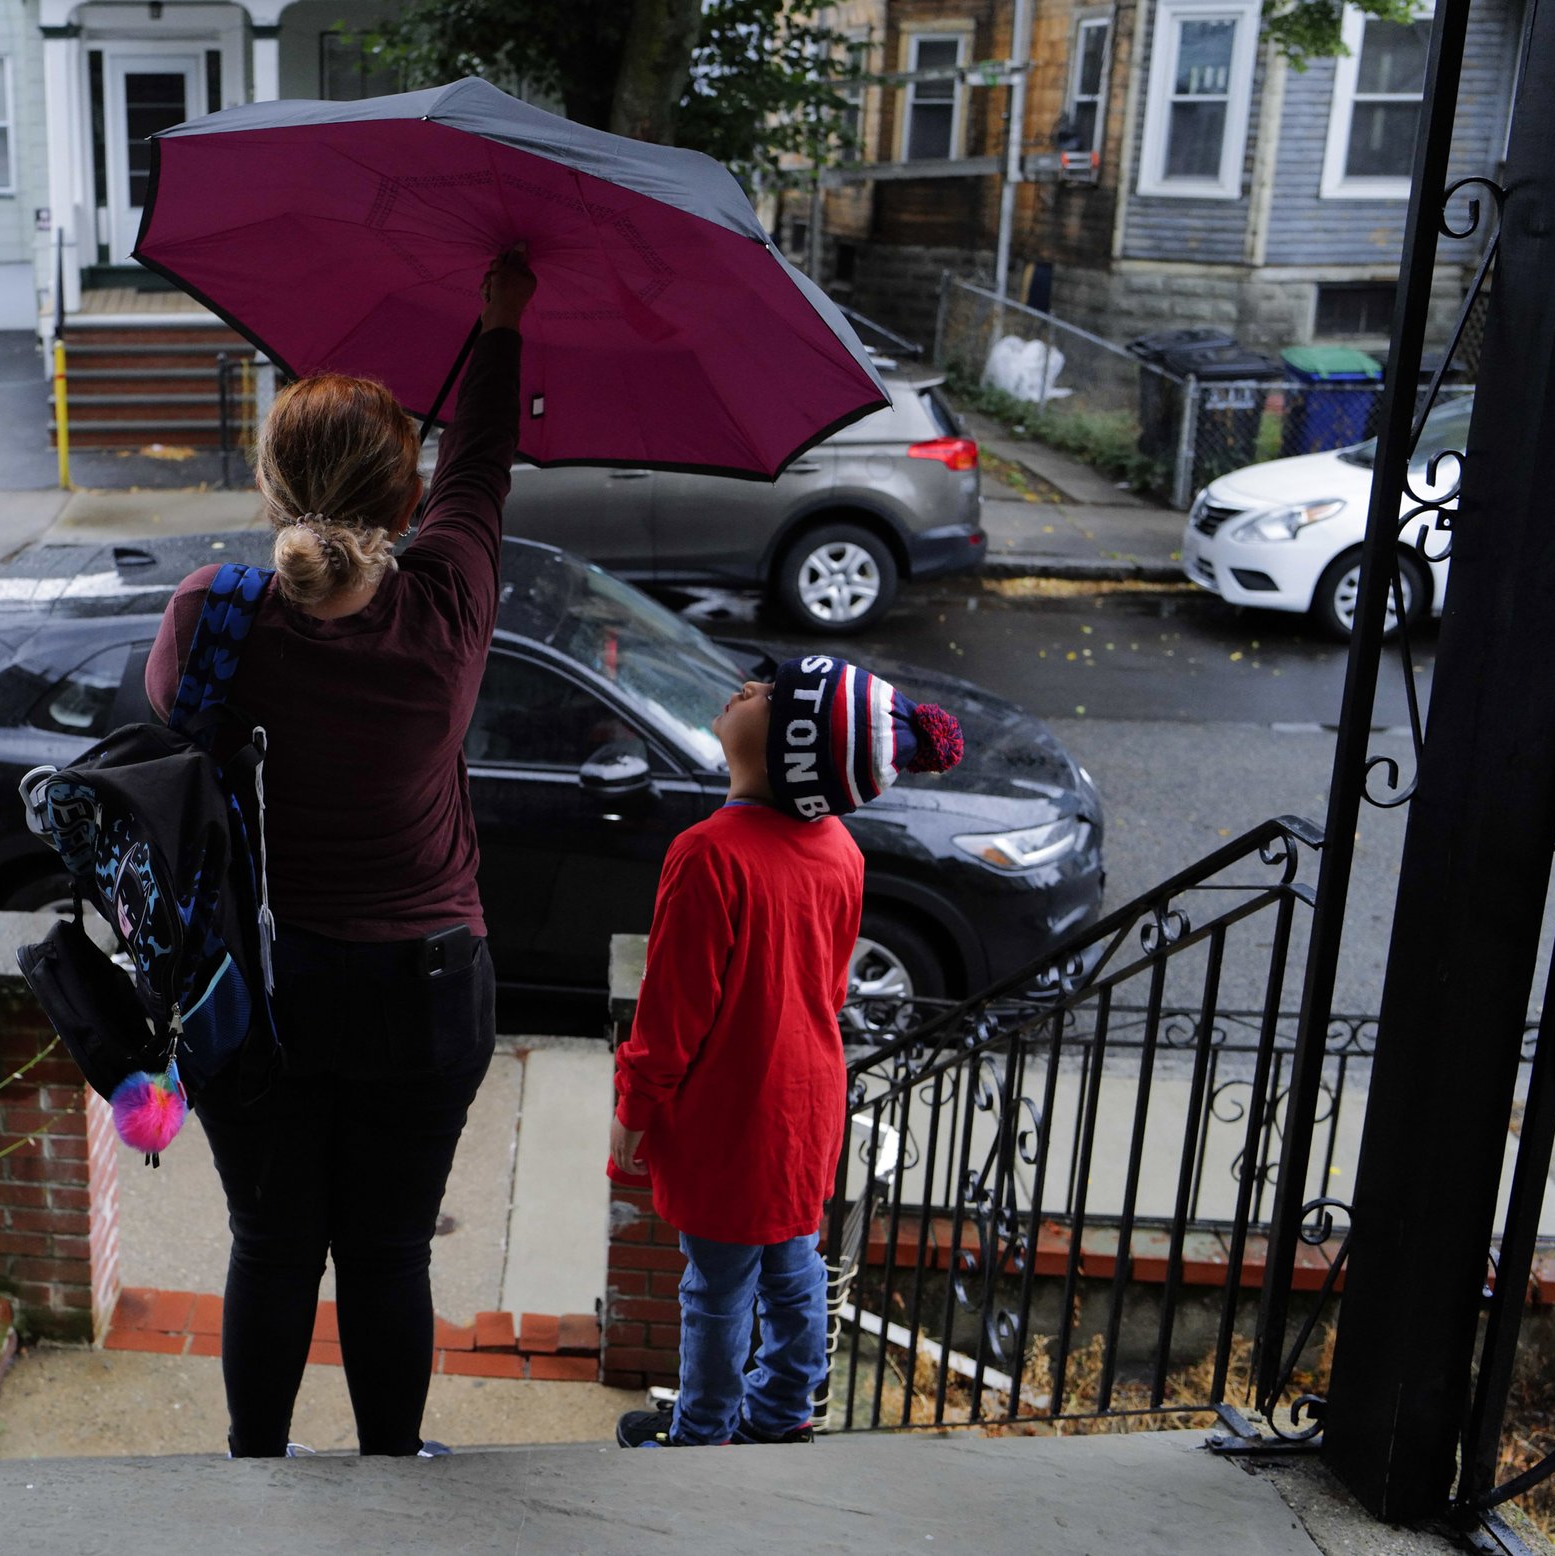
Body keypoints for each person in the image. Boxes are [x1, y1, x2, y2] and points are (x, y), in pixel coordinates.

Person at [143, 249, 538, 1460]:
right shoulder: (449, 602)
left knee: (270, 1242)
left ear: (269, 487)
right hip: (427, 991)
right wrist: (499, 328)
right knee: (386, 1249)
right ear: (408, 502)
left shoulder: (213, 612)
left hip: (262, 994)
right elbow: (482, 463)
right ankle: (389, 1478)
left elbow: (168, 731)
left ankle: (256, 1469)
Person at [610, 657, 962, 1449]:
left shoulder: (708, 853)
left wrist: (636, 1106)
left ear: (791, 749)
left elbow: (672, 1013)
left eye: (772, 696)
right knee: (795, 1259)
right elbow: (828, 982)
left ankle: (701, 1430)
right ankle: (783, 1412)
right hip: (808, 1097)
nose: (748, 688)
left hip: (732, 1107)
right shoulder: (840, 848)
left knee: (717, 1283)